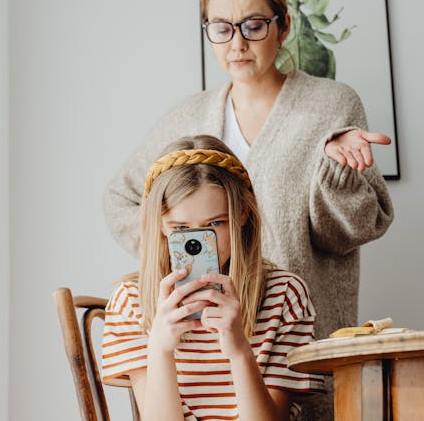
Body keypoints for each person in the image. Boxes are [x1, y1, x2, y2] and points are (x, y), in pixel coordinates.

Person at [103, 0, 394, 417]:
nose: (237, 42)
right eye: (221, 27)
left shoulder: (331, 106)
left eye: (254, 25)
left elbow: (350, 230)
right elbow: (123, 198)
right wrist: (184, 250)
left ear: (283, 26)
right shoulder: (186, 117)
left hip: (292, 336)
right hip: (196, 351)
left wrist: (341, 174)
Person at [101, 135, 326, 420]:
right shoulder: (131, 301)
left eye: (215, 224)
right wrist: (159, 348)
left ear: (243, 213)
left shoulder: (285, 295)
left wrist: (240, 351)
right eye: (180, 227)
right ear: (160, 224)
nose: (198, 243)